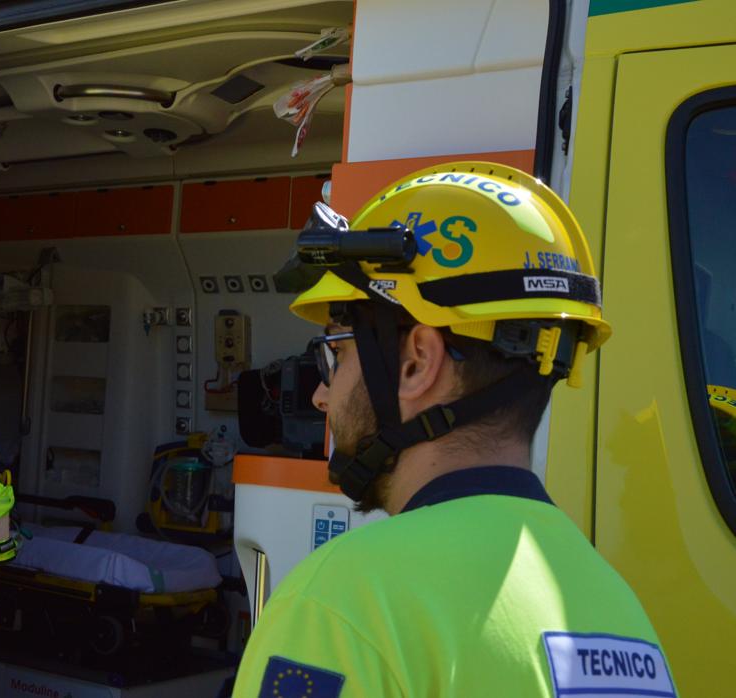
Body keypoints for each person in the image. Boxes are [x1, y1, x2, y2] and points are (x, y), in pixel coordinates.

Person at [233, 163, 676, 697]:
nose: (320, 394)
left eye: (337, 354)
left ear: (416, 362)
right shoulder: (615, 605)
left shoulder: (343, 601)